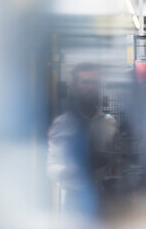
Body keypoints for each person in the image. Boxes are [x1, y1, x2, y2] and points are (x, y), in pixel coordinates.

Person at [47, 63, 117, 215]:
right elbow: (51, 166)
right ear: (74, 86)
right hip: (74, 202)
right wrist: (73, 170)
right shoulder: (63, 124)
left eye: (94, 82)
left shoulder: (109, 123)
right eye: (85, 82)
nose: (90, 87)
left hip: (106, 201)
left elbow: (116, 163)